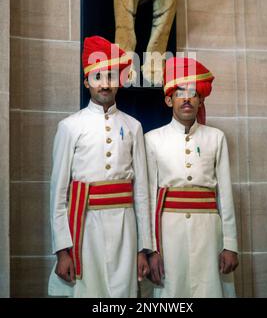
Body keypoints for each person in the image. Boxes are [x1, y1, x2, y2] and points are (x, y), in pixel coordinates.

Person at [48, 35, 151, 298]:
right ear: (87, 82)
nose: (104, 84)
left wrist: (143, 248)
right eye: (97, 77)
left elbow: (142, 193)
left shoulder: (133, 127)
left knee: (123, 295)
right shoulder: (70, 127)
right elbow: (58, 195)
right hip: (84, 229)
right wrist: (63, 250)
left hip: (124, 231)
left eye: (110, 76)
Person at [145, 56, 239, 298]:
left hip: (209, 236)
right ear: (169, 100)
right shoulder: (152, 139)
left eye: (193, 93)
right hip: (168, 236)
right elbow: (148, 199)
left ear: (201, 100)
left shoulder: (216, 137)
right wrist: (152, 250)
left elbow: (225, 196)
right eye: (179, 93)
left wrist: (230, 245)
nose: (186, 98)